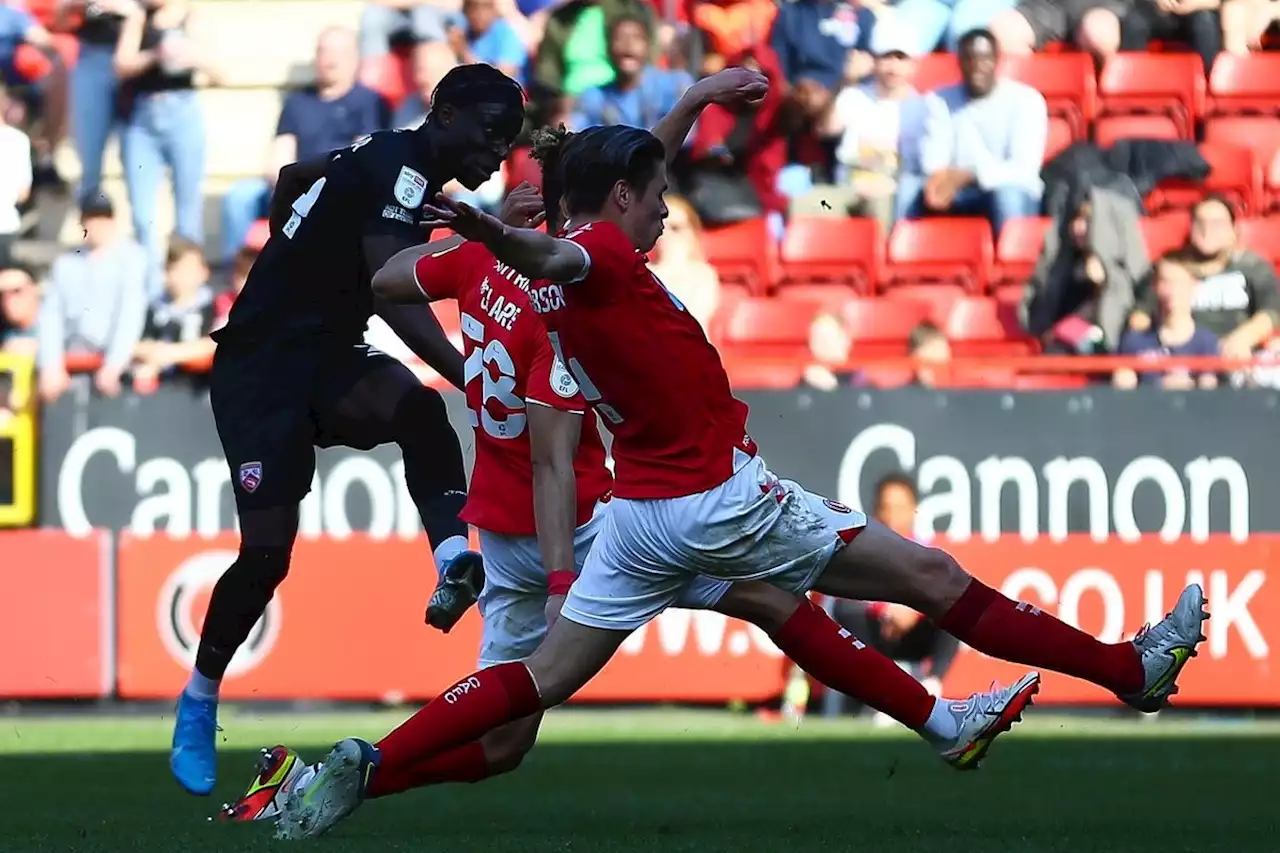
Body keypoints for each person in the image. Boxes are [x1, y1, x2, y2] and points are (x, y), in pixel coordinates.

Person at [272, 68, 1208, 840]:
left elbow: (476, 257)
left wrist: (688, 104)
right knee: (929, 574)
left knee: (544, 680)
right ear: (619, 202)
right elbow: (564, 254)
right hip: (721, 496)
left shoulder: (549, 253)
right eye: (659, 201)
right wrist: (495, 228)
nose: (667, 218)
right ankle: (1129, 671)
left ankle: (369, 764)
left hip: (639, 516)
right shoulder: (586, 253)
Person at [225, 182, 1037, 833]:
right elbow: (553, 458)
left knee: (507, 740)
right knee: (754, 599)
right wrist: (560, 577)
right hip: (582, 525)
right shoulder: (566, 311)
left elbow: (386, 279)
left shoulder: (479, 271)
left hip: (498, 518)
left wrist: (471, 236)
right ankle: (941, 721)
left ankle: (333, 780)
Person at [168, 63, 527, 799]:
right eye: (492, 134)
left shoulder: (384, 159)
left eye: (510, 140)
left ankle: (456, 557)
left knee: (416, 412)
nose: (497, 153)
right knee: (266, 556)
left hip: (325, 355)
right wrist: (469, 372)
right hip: (262, 367)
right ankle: (199, 697)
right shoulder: (400, 169)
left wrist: (295, 248)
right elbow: (396, 293)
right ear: (447, 112)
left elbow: (297, 177)